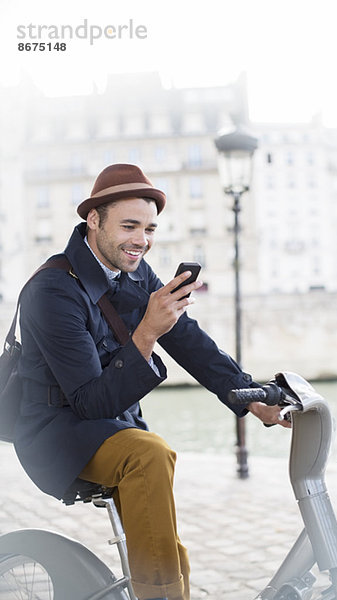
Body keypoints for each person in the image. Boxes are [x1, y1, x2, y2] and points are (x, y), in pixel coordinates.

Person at [15, 164, 289, 600]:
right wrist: (146, 333)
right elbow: (87, 402)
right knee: (149, 455)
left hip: (110, 422)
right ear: (94, 221)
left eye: (149, 229)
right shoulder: (52, 290)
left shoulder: (137, 273)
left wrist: (249, 398)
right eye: (129, 226)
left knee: (163, 533)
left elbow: (188, 340)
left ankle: (169, 589)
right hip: (54, 431)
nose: (141, 240)